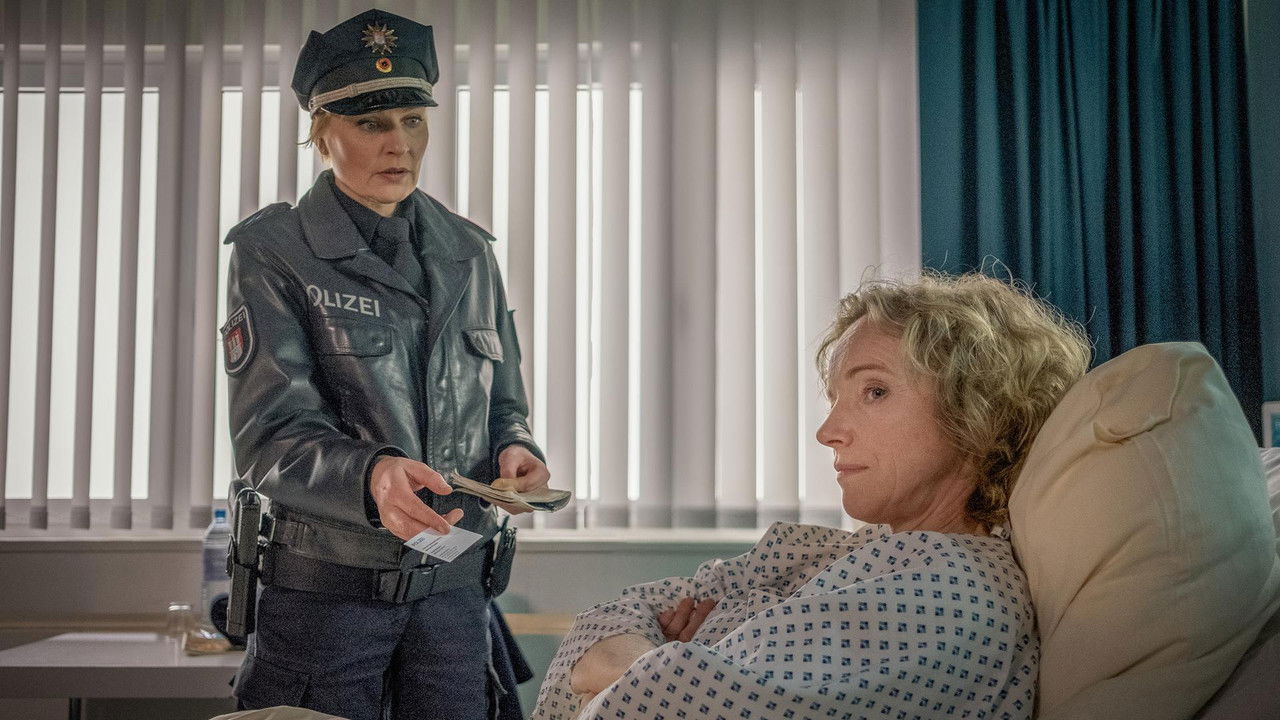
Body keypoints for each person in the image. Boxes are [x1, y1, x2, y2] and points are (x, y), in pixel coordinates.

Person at [532, 272, 1091, 720]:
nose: (828, 432)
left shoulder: (950, 597)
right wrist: (671, 664)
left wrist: (647, 661)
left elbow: (647, 702)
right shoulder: (835, 553)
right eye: (835, 399)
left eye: (874, 391)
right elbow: (603, 623)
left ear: (979, 411)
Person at [221, 9, 548, 720]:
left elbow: (505, 403)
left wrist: (517, 449)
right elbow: (269, 438)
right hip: (326, 604)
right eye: (371, 123)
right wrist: (371, 474)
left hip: (454, 600)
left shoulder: (469, 252)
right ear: (321, 132)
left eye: (413, 120)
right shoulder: (274, 251)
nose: (400, 142)